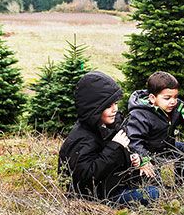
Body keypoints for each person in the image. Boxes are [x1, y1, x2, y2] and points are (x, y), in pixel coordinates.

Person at [58, 71, 159, 206]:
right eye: (108, 106)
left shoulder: (109, 126)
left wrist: (132, 159)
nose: (115, 109)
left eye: (115, 103)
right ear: (94, 108)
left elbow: (114, 159)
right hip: (98, 196)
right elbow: (85, 177)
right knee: (153, 193)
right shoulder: (83, 138)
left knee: (153, 179)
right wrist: (115, 146)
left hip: (113, 185)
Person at [125, 71, 184, 185]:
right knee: (154, 187)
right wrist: (144, 159)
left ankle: (182, 182)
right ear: (152, 98)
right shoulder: (140, 115)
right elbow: (134, 141)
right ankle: (151, 186)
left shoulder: (172, 107)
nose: (173, 101)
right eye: (167, 98)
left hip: (165, 146)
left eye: (175, 97)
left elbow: (175, 118)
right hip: (148, 152)